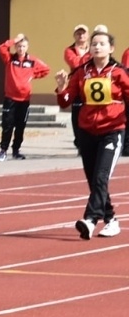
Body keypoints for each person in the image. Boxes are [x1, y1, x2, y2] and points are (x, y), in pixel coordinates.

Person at [55, 26, 128, 240]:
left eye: (102, 44)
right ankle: (111, 219)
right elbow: (66, 101)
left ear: (111, 48)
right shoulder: (81, 72)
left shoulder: (119, 72)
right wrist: (61, 88)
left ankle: (90, 219)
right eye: (94, 44)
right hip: (87, 131)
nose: (97, 47)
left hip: (112, 131)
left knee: (101, 176)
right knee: (94, 179)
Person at [0, 34, 50, 160]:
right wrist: (14, 39)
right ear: (15, 46)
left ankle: (16, 150)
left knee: (20, 126)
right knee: (7, 125)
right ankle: (3, 150)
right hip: (10, 98)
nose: (21, 49)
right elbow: (1, 48)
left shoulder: (32, 61)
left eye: (23, 46)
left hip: (24, 99)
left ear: (27, 47)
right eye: (19, 46)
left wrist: (33, 76)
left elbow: (46, 69)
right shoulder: (9, 59)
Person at [64, 23, 92, 150]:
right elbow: (75, 64)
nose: (81, 35)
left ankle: (88, 141)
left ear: (87, 35)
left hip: (91, 86)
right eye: (78, 33)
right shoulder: (69, 50)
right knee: (76, 116)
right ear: (74, 36)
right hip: (76, 87)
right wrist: (88, 58)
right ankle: (79, 142)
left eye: (83, 33)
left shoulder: (93, 48)